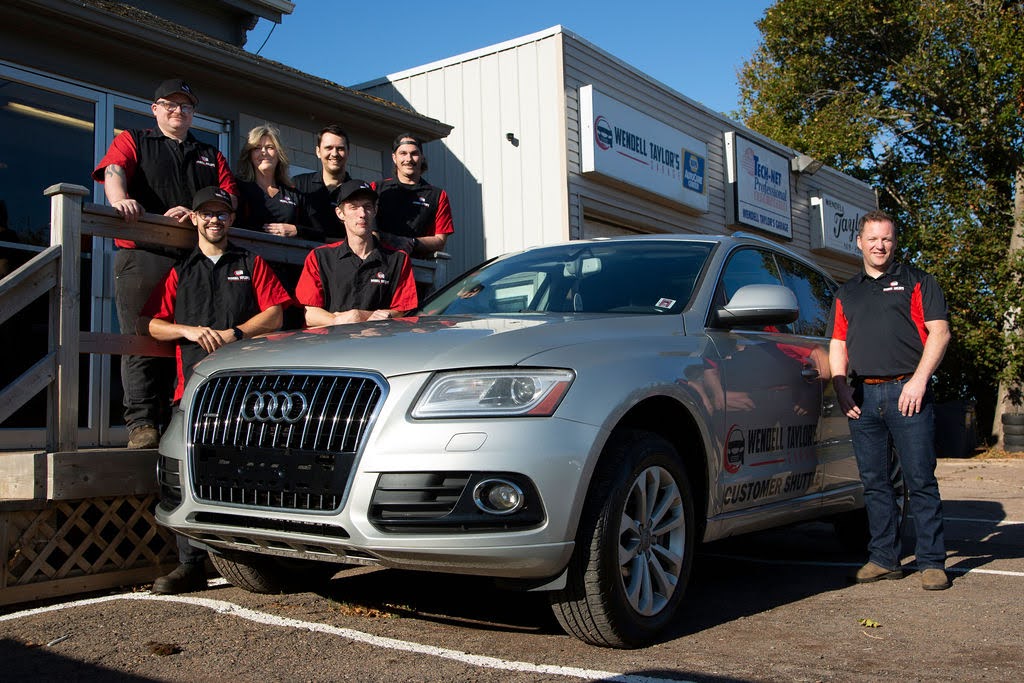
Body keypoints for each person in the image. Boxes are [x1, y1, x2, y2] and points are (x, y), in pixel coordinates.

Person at [139, 186, 291, 594]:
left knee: (252, 471)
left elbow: (275, 314)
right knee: (187, 471)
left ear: (231, 219)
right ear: (195, 218)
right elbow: (154, 324)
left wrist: (235, 333)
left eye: (222, 214)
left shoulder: (250, 262)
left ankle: (260, 558)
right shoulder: (180, 269)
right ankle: (189, 564)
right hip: (192, 389)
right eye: (207, 213)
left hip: (250, 393)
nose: (215, 220)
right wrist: (187, 330)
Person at [92, 78, 237, 449]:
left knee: (189, 338)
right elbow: (114, 170)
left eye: (186, 106)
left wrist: (196, 211)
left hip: (192, 259)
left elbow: (230, 197)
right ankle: (142, 423)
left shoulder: (210, 153)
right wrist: (120, 199)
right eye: (169, 105)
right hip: (142, 254)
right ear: (154, 109)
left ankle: (180, 420)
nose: (178, 111)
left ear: (193, 113)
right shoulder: (134, 139)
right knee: (141, 339)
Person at [827, 209, 952, 591]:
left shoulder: (918, 282)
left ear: (894, 243)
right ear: (859, 243)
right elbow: (837, 343)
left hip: (907, 394)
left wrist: (918, 381)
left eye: (887, 239)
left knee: (919, 480)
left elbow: (940, 333)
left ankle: (932, 562)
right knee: (875, 483)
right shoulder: (847, 292)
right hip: (862, 397)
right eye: (873, 239)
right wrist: (841, 386)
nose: (880, 245)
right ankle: (884, 558)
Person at [295, 180, 418, 326]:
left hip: (379, 343)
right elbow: (310, 314)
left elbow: (403, 311)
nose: (362, 214)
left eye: (367, 207)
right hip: (332, 344)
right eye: (353, 207)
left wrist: (360, 315)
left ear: (375, 211)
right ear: (340, 213)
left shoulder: (397, 259)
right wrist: (340, 320)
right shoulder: (320, 257)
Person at [373, 134, 454, 259]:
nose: (408, 159)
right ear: (394, 158)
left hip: (417, 267)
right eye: (403, 153)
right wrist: (389, 240)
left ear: (422, 157)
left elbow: (440, 240)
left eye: (414, 153)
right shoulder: (376, 189)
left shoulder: (437, 195)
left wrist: (412, 242)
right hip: (381, 262)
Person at [234, 123, 319, 241]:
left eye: (270, 147)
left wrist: (296, 230)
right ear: (249, 155)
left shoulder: (294, 194)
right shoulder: (239, 188)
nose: (264, 152)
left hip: (287, 258)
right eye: (257, 148)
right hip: (250, 256)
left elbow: (318, 233)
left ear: (279, 154)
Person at [292, 124, 351, 242]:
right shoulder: (299, 185)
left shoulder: (357, 192)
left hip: (342, 258)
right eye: (328, 148)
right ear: (318, 151)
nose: (334, 154)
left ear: (348, 152)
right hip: (302, 256)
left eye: (340, 148)